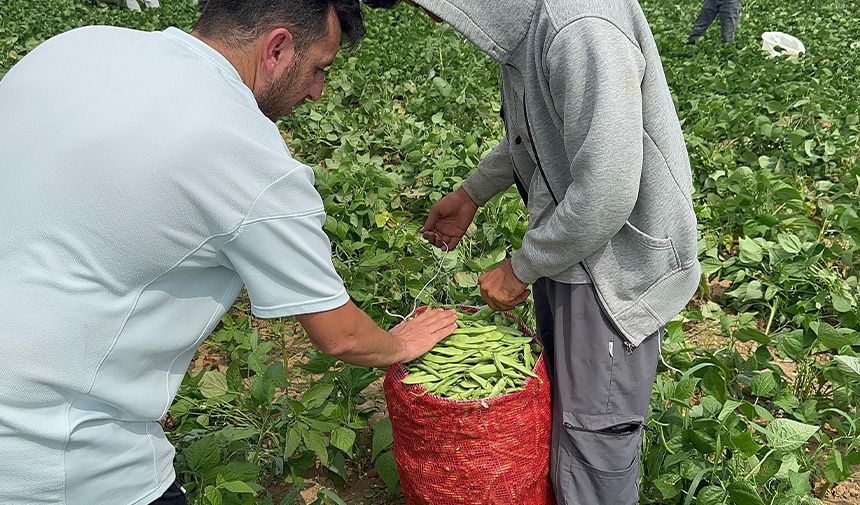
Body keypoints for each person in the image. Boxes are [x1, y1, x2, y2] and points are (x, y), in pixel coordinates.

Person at [0, 1, 458, 504]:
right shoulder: (247, 156)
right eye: (318, 69)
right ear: (277, 48)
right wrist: (401, 344)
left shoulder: (72, 47)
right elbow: (343, 338)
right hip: (56, 458)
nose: (317, 91)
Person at [367, 1, 701, 504]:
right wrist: (471, 193)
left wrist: (521, 267)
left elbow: (607, 192)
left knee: (593, 441)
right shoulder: (531, 28)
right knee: (566, 412)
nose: (434, 17)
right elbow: (540, 133)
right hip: (574, 252)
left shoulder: (580, 29)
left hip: (611, 270)